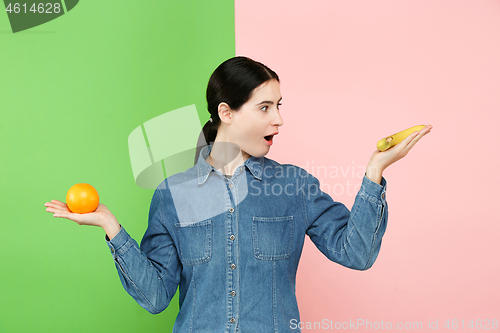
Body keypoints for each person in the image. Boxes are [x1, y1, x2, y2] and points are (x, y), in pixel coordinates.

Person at [45, 56, 432, 332]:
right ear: (227, 112)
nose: (278, 119)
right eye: (264, 107)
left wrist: (374, 172)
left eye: (278, 106)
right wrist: (110, 226)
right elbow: (156, 297)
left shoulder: (294, 186)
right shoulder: (173, 194)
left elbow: (357, 253)